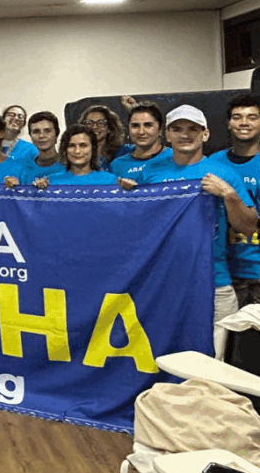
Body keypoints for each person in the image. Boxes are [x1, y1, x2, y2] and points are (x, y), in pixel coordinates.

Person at [138, 104, 258, 360]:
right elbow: (138, 226)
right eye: (177, 129)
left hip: (215, 281)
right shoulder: (151, 173)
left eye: (193, 129)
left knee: (217, 361)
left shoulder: (224, 174)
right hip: (165, 281)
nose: (185, 135)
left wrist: (229, 195)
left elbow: (248, 226)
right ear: (167, 135)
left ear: (205, 134)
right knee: (167, 357)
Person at [209, 94, 260, 308]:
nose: (244, 122)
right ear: (229, 124)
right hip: (222, 272)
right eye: (237, 117)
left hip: (257, 271)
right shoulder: (213, 162)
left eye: (252, 117)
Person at [32, 126, 133, 186]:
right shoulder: (51, 182)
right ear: (65, 150)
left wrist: (129, 189)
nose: (77, 151)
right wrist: (36, 191)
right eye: (71, 146)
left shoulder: (111, 181)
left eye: (83, 145)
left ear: (93, 149)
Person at [109, 102, 171, 179]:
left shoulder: (175, 158)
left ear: (160, 130)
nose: (141, 132)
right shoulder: (117, 166)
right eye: (135, 126)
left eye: (148, 125)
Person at [79, 104, 126, 170]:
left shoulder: (123, 151)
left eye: (101, 123)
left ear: (110, 128)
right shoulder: (76, 153)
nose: (94, 127)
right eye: (89, 123)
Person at [24, 111, 65, 181]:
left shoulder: (69, 166)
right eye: (36, 131)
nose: (41, 136)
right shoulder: (25, 169)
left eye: (47, 131)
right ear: (30, 136)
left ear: (56, 134)